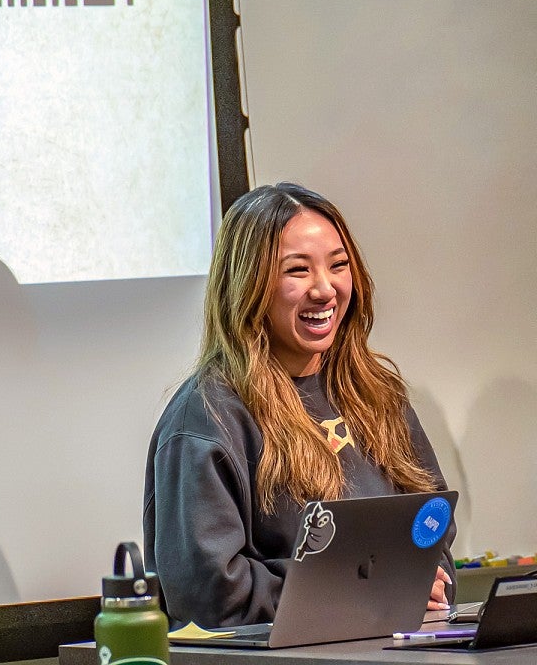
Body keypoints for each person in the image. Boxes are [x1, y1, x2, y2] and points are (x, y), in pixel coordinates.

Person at [143, 182, 454, 628]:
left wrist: (427, 582)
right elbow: (209, 594)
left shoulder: (379, 396)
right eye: (298, 270)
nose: (325, 290)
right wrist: (362, 590)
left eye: (339, 265)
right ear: (248, 284)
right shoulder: (207, 418)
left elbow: (433, 529)